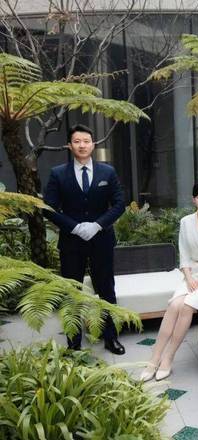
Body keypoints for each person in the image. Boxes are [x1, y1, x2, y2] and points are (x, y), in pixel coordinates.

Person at [43, 124, 126, 354]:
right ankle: (73, 343)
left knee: (106, 289)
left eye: (86, 141)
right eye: (77, 141)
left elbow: (119, 203)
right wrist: (75, 227)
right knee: (72, 292)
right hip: (71, 242)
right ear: (69, 146)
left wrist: (98, 225)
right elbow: (48, 208)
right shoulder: (58, 173)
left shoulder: (107, 172)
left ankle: (111, 338)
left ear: (93, 144)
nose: (82, 145)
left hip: (102, 240)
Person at [141, 179, 198, 381]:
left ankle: (168, 358)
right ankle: (154, 358)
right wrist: (189, 278)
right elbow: (184, 255)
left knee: (187, 305)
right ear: (193, 199)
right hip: (191, 275)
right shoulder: (186, 222)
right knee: (174, 305)